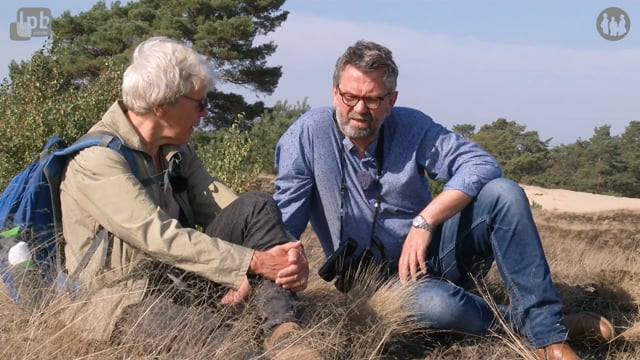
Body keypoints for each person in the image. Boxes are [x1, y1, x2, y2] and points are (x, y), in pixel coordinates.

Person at [273, 40, 615, 360]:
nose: (360, 109)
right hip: (376, 286)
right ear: (335, 93)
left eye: (373, 99)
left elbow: (481, 164)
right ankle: (540, 326)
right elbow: (283, 224)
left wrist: (424, 222)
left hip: (436, 254)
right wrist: (256, 270)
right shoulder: (307, 135)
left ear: (391, 100)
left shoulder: (411, 125)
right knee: (439, 306)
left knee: (504, 194)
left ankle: (550, 341)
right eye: (349, 97)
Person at [58, 36, 317, 358]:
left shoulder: (175, 150)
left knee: (257, 204)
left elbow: (232, 209)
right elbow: (158, 237)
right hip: (122, 301)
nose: (206, 112)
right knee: (231, 351)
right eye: (199, 103)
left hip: (179, 279)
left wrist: (289, 256)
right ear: (160, 105)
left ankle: (285, 334)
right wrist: (250, 262)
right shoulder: (97, 159)